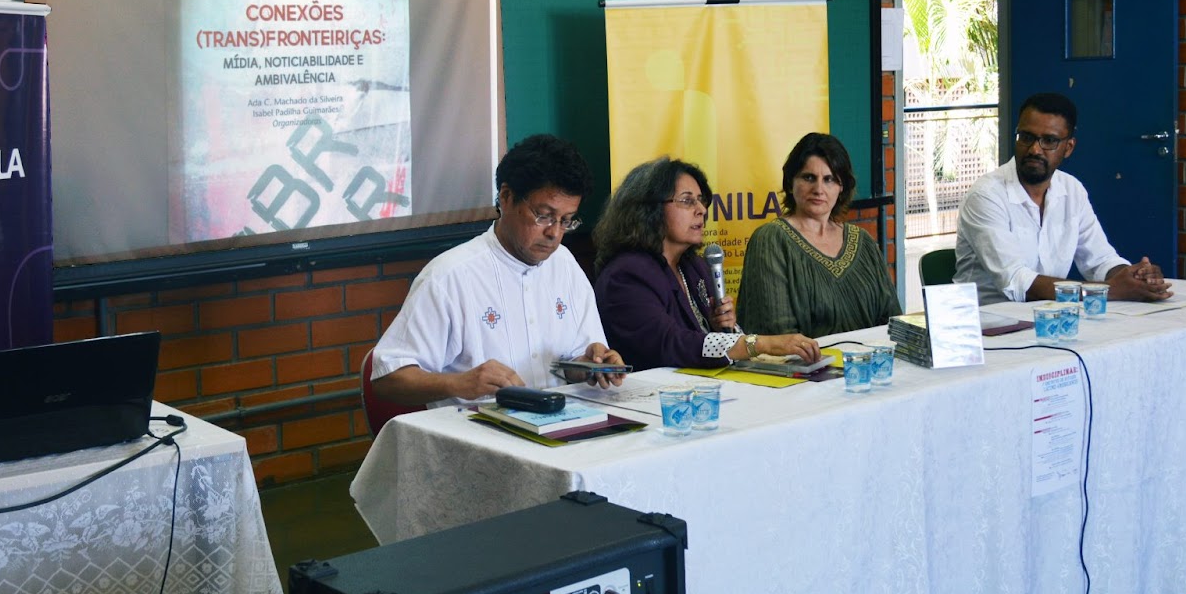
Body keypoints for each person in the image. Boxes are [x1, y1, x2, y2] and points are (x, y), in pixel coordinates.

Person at [369, 134, 624, 407]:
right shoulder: (451, 276)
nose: (554, 233)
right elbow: (387, 379)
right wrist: (459, 383)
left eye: (566, 221)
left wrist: (589, 365)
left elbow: (572, 361)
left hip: (558, 425)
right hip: (477, 435)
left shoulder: (565, 265)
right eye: (544, 216)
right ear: (506, 197)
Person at [592, 156, 822, 371]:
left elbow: (709, 343)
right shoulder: (626, 275)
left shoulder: (695, 266)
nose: (701, 210)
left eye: (701, 201)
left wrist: (724, 326)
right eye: (687, 201)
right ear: (648, 209)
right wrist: (759, 344)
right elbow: (669, 344)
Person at [955, 92, 1173, 305]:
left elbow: (1100, 259)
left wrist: (1135, 277)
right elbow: (1016, 281)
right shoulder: (986, 195)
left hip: (1049, 315)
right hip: (987, 322)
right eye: (1026, 137)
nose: (1034, 149)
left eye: (1049, 140)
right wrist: (1109, 291)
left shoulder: (1071, 189)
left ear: (1068, 148)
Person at [737, 132, 901, 337]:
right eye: (808, 178)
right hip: (808, 368)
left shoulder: (863, 241)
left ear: (841, 187)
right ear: (790, 183)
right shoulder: (770, 240)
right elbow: (777, 335)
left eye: (829, 179)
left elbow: (893, 321)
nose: (818, 189)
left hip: (873, 365)